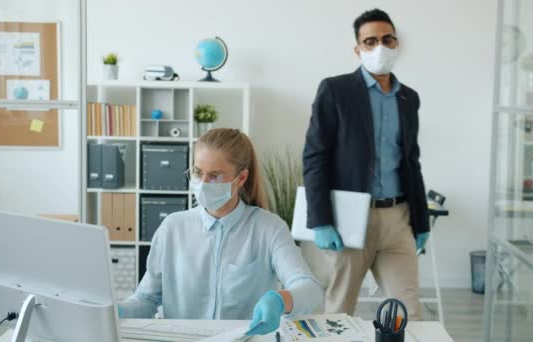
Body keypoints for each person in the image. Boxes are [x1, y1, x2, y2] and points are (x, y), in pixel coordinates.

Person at [119, 128, 323, 335]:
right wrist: (117, 310)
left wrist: (281, 300)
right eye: (198, 173)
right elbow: (147, 299)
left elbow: (310, 289)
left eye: (215, 176)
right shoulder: (172, 228)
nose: (204, 183)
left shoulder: (269, 228)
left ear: (241, 178)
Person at [301, 9, 429, 320]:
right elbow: (315, 155)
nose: (379, 47)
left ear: (397, 44)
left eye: (387, 39)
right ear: (358, 49)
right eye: (370, 41)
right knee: (339, 310)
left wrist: (421, 221)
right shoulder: (335, 90)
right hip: (349, 219)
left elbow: (411, 161)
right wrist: (320, 220)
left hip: (398, 219)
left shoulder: (408, 98)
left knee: (409, 313)